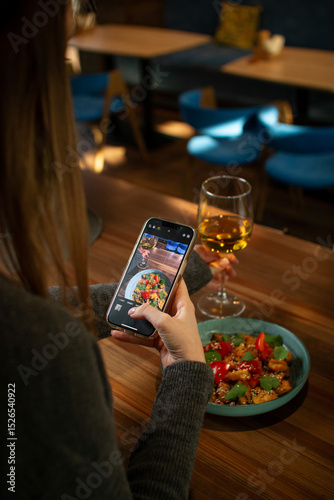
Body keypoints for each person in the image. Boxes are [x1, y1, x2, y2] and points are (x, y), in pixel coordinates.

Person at [0, 2, 236, 498]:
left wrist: (180, 274)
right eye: (61, 62)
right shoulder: (35, 357)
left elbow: (38, 308)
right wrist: (188, 374)